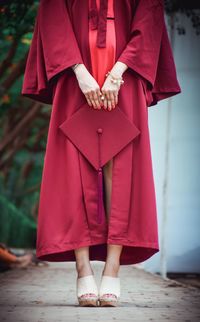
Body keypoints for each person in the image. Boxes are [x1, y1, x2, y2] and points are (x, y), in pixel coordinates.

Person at [21, 0, 181, 307]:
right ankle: (83, 270)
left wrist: (118, 72)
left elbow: (149, 17)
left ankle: (112, 268)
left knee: (121, 169)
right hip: (73, 77)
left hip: (126, 77)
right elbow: (54, 17)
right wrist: (79, 71)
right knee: (73, 167)